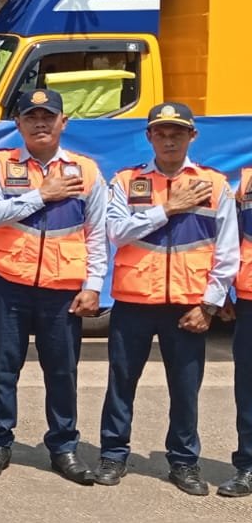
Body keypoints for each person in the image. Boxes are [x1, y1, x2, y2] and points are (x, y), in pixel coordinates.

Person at [96, 103, 238, 495]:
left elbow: (227, 252)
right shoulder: (127, 181)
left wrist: (208, 305)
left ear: (192, 136)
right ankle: (113, 454)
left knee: (185, 389)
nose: (169, 140)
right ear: (149, 137)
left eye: (177, 133)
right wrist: (168, 208)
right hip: (134, 303)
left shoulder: (215, 185)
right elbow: (116, 232)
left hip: (188, 306)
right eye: (161, 133)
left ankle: (184, 462)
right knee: (121, 383)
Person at [0, 88, 106, 484]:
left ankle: (64, 447)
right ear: (18, 123)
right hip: (10, 286)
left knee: (62, 373)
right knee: (3, 370)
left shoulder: (86, 171)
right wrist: (41, 194)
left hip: (62, 291)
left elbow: (97, 234)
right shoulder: (0, 164)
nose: (40, 123)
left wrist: (94, 285)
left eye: (48, 116)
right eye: (31, 117)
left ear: (63, 122)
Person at [224, 162, 252, 498]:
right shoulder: (246, 184)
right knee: (248, 390)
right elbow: (230, 242)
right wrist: (224, 294)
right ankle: (248, 466)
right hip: (249, 300)